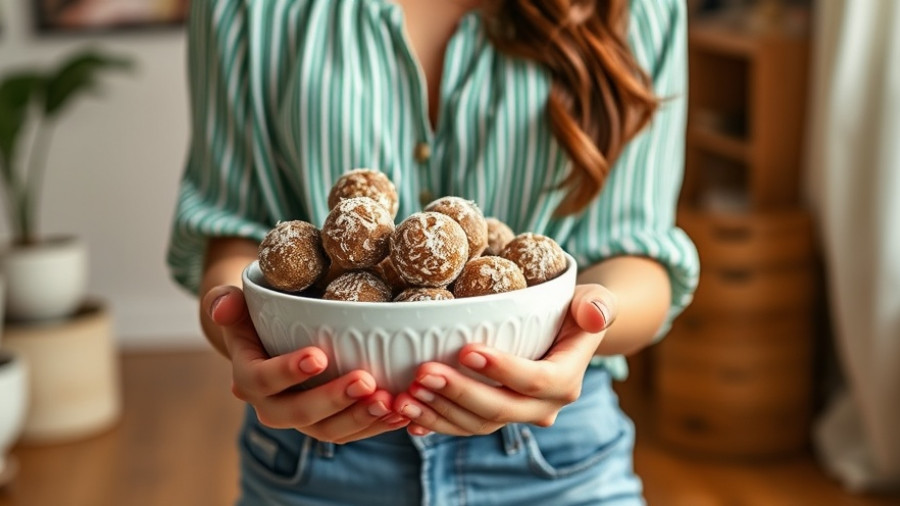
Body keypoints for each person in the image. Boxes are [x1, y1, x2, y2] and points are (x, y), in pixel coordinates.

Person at [166, 0, 699, 504]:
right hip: (315, 452)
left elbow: (639, 253)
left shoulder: (638, 9)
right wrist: (244, 326)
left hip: (554, 450)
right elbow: (233, 236)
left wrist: (587, 320)